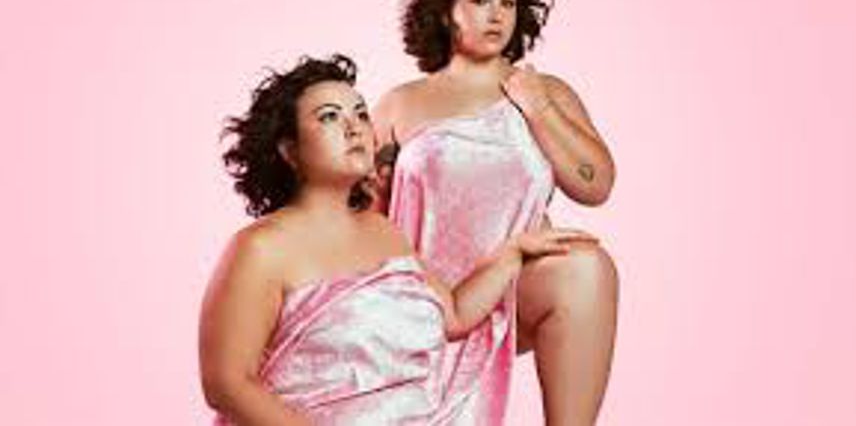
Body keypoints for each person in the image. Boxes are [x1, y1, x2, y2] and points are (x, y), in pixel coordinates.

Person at [198, 54, 588, 425]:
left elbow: (453, 316)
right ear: (289, 150)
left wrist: (511, 252)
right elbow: (226, 384)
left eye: (360, 114)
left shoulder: (383, 232)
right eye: (329, 116)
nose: (354, 128)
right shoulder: (261, 247)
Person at [372, 0, 619, 424]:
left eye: (507, 3)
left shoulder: (547, 92)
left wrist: (537, 107)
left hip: (513, 286)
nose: (496, 15)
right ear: (447, 11)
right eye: (480, 0)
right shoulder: (400, 104)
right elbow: (365, 216)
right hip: (425, 299)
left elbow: (595, 185)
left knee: (587, 268)